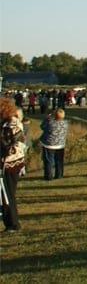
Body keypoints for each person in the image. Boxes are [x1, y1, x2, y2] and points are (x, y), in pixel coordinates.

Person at [0, 98, 26, 232]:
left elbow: (8, 145)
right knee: (7, 194)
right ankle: (10, 222)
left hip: (10, 163)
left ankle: (13, 223)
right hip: (12, 162)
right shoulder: (10, 122)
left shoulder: (10, 124)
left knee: (7, 194)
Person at [39, 108, 68, 180]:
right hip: (60, 144)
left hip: (49, 144)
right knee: (59, 160)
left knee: (48, 160)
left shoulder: (50, 122)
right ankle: (59, 175)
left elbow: (42, 127)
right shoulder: (65, 123)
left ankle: (48, 176)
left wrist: (47, 118)